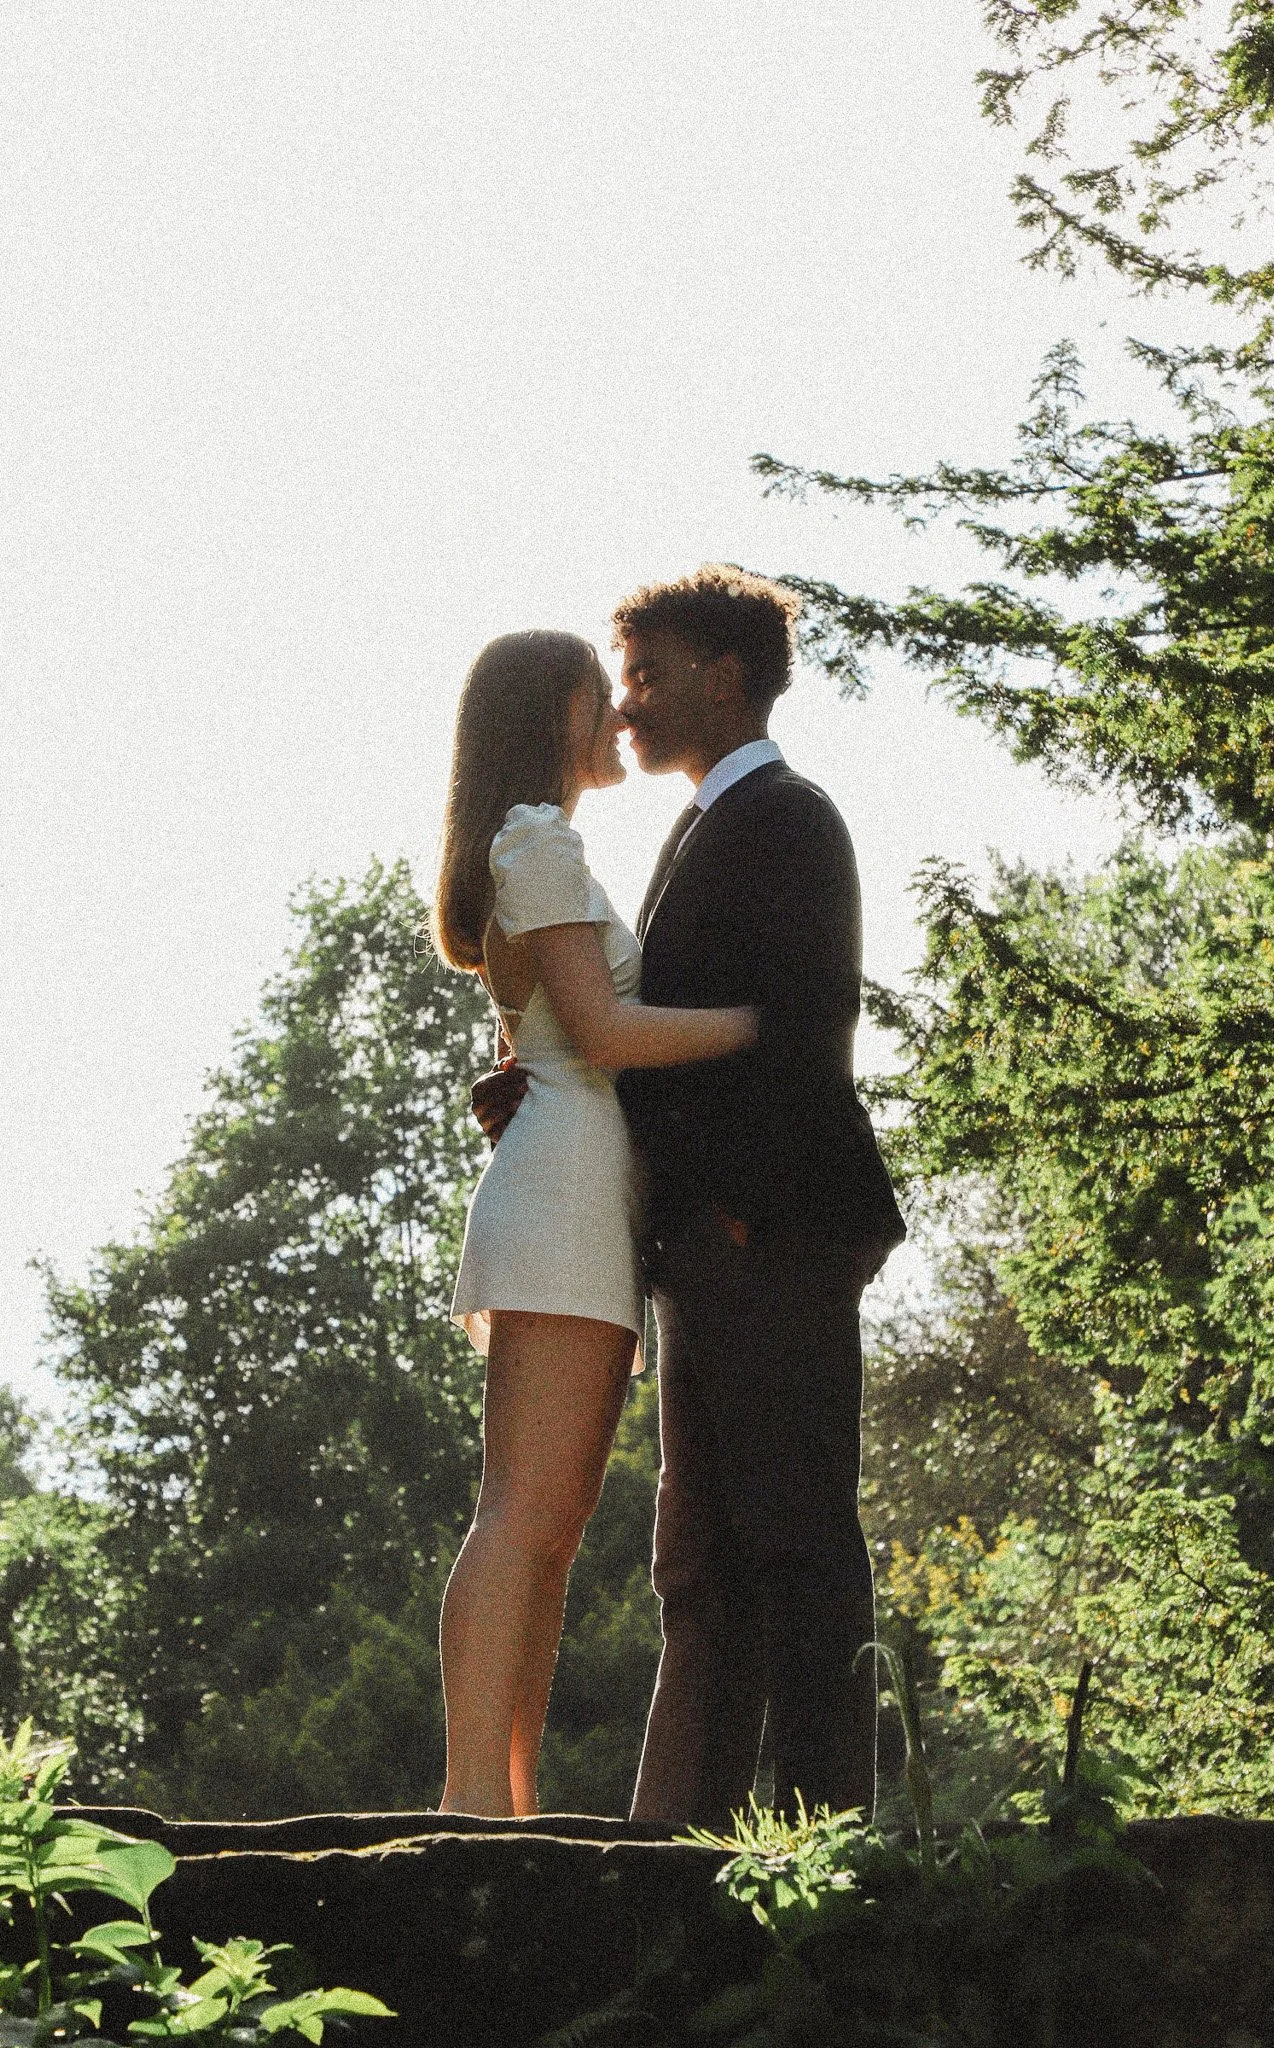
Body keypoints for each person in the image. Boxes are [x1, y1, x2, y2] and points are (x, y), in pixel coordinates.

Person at [476, 567, 905, 1827]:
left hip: (764, 1233)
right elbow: (651, 1036)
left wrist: (730, 1212)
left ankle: (833, 1833)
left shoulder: (790, 819)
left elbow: (802, 1036)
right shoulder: (696, 828)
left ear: (728, 676)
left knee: (797, 1541)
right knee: (697, 1566)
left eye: (651, 674)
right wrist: (558, 1091)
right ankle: (675, 1843)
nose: (627, 703)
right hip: (700, 1246)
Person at [432, 627, 759, 1819]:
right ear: (552, 715)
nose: (618, 716)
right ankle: (471, 1801)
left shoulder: (537, 849)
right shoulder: (536, 842)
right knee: (523, 1508)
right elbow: (605, 1035)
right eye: (596, 696)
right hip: (564, 1187)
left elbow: (553, 1031)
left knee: (552, 1520)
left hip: (578, 1187)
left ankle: (505, 1797)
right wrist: (760, 1023)